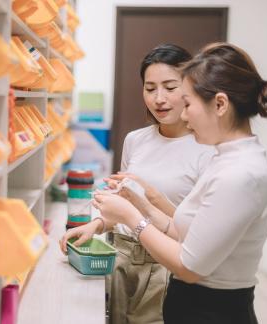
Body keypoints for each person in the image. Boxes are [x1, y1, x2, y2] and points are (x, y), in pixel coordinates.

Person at [92, 42, 267, 324]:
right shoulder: (227, 159)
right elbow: (180, 230)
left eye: (187, 104)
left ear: (220, 104)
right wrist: (142, 202)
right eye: (150, 88)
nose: (183, 115)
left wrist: (131, 216)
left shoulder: (239, 174)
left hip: (212, 312)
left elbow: (188, 266)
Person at [59, 44, 214, 324]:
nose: (159, 98)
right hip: (119, 255)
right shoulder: (136, 140)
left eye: (169, 87)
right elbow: (126, 205)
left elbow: (197, 231)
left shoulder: (207, 150)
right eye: (150, 87)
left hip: (164, 268)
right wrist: (95, 226)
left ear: (191, 87)